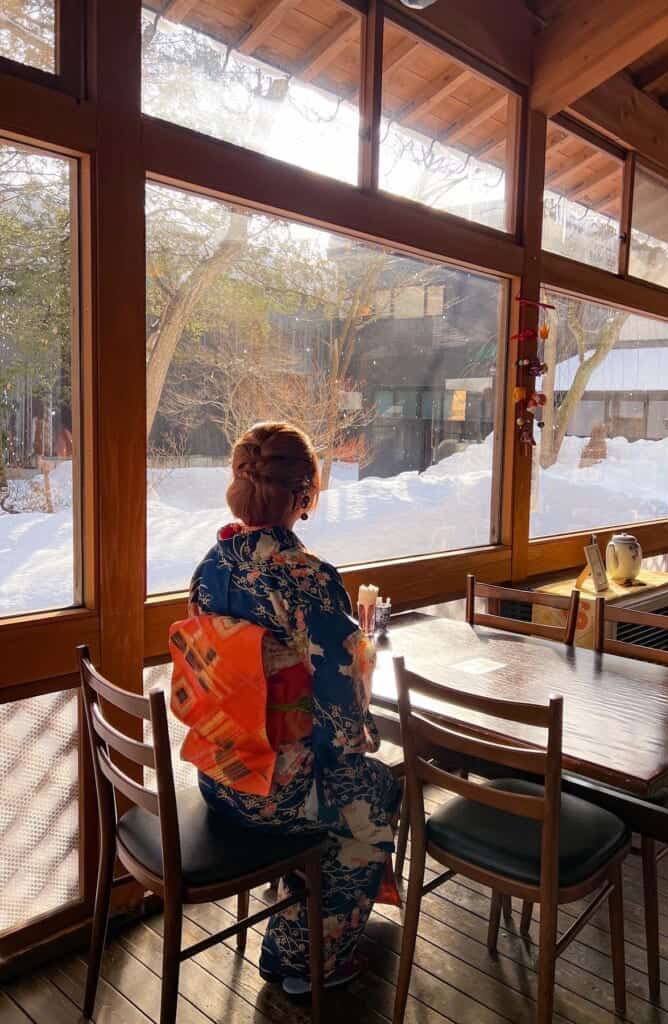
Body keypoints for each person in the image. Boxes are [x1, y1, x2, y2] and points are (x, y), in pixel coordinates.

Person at [180, 422, 400, 994]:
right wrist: (358, 740)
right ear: (304, 495)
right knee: (375, 792)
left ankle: (299, 925)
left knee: (349, 783)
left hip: (219, 770)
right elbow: (340, 694)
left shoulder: (211, 566)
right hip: (274, 792)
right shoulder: (308, 577)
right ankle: (304, 959)